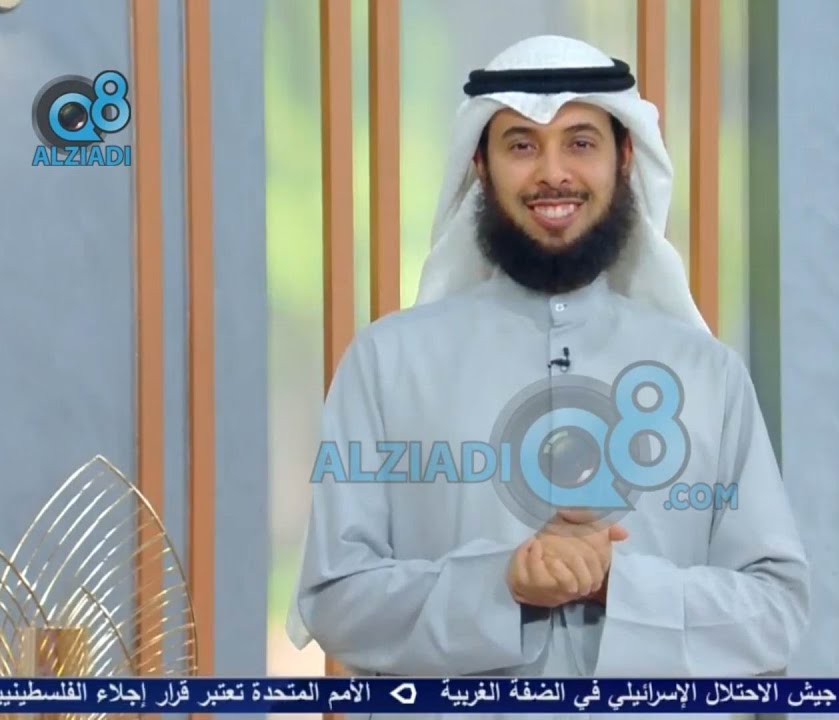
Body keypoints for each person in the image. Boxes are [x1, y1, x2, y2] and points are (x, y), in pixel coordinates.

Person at [287, 34, 809, 718]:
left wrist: (620, 585)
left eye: (581, 143)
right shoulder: (386, 364)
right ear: (481, 165)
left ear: (625, 158)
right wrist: (501, 584)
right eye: (522, 145)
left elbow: (776, 613)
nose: (553, 173)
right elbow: (335, 600)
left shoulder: (708, 376)